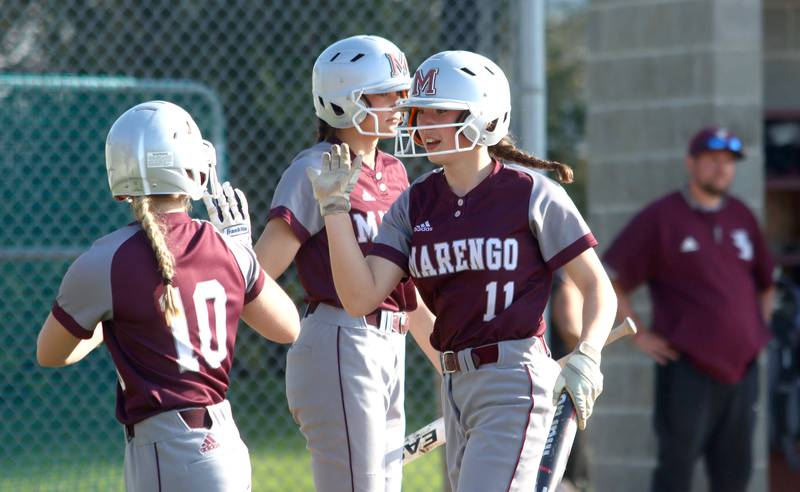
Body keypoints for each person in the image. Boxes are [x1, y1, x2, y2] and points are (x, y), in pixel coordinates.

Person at [306, 50, 617, 492]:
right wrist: (334, 209)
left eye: (437, 111)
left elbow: (595, 285)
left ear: (483, 116)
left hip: (513, 379)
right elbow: (360, 297)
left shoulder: (529, 193)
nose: (420, 123)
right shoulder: (414, 204)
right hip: (454, 383)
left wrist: (588, 352)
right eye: (419, 110)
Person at [36, 100, 301, 492]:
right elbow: (288, 327)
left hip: (169, 451)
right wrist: (244, 255)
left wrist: (111, 322)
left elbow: (50, 352)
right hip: (225, 444)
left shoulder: (106, 260)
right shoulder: (226, 248)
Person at [253, 35, 438, 492]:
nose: (402, 102)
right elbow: (255, 273)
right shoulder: (315, 167)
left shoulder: (394, 170)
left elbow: (403, 292)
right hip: (341, 339)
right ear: (347, 99)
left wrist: (453, 361)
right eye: (388, 92)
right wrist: (299, 332)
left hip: (389, 346)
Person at [603, 126, 776, 492]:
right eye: (713, 160)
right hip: (687, 369)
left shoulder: (742, 216)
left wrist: (757, 332)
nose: (721, 169)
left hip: (742, 371)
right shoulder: (662, 217)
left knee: (735, 474)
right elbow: (610, 278)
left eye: (729, 162)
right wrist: (639, 333)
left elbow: (766, 283)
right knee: (675, 471)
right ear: (691, 163)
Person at [549, 272, 592, 492]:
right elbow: (570, 327)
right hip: (556, 386)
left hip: (559, 385)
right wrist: (590, 346)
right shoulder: (563, 277)